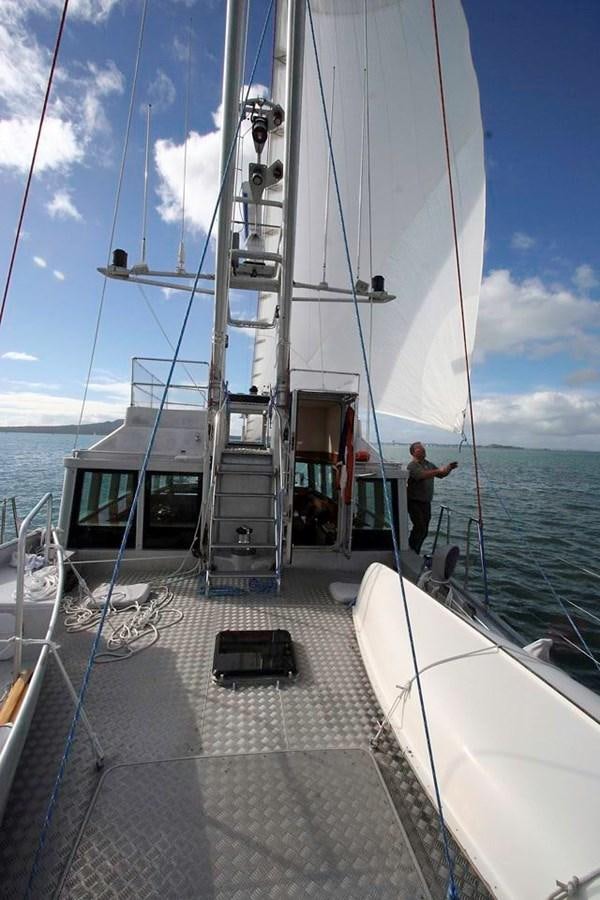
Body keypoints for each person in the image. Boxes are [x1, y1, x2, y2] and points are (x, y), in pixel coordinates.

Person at [406, 442, 457, 554]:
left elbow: (441, 475)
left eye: (423, 448)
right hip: (414, 502)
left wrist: (448, 469)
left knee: (424, 531)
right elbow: (421, 475)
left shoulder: (428, 464)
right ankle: (410, 550)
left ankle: (415, 551)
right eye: (420, 449)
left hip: (426, 502)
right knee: (419, 527)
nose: (423, 450)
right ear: (413, 452)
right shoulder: (412, 466)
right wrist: (439, 470)